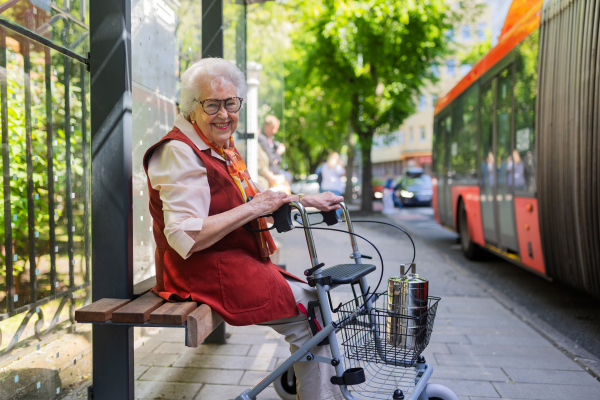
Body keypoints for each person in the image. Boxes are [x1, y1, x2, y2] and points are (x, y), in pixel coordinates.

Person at [143, 58, 344, 400]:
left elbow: (254, 197)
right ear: (192, 108)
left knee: (315, 302)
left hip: (228, 261)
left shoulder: (217, 144)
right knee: (312, 313)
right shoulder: (179, 152)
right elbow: (185, 238)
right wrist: (253, 208)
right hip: (198, 271)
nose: (224, 114)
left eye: (231, 103)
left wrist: (305, 200)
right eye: (212, 105)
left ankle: (314, 386)